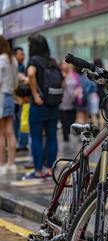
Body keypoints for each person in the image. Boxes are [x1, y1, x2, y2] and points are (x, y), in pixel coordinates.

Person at [24, 33, 65, 179]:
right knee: (52, 137)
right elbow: (63, 82)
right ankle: (50, 169)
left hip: (39, 104)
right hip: (53, 105)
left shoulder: (33, 60)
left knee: (36, 137)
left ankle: (38, 170)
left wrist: (35, 94)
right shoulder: (52, 61)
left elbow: (30, 74)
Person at [0, 36, 18, 174]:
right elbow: (16, 83)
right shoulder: (13, 60)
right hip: (10, 96)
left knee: (1, 133)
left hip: (1, 96)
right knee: (10, 132)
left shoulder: (1, 60)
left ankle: (1, 165)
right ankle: (11, 163)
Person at [13, 46, 29, 152]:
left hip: (20, 99)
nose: (23, 56)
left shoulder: (21, 66)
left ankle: (21, 143)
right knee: (17, 121)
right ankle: (18, 143)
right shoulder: (14, 65)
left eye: (23, 54)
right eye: (21, 54)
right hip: (14, 98)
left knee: (20, 121)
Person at [59, 60, 78, 142]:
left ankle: (67, 134)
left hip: (72, 101)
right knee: (64, 121)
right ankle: (65, 137)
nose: (67, 65)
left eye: (67, 63)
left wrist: (77, 90)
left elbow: (78, 84)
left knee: (72, 119)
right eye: (64, 63)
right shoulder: (59, 74)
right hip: (62, 102)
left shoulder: (73, 73)